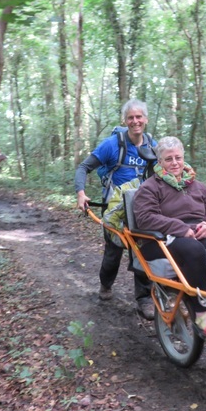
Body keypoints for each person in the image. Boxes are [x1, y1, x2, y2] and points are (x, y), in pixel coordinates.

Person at [133, 136, 206, 338]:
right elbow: (145, 218)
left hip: (197, 233)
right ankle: (201, 312)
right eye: (168, 159)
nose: (175, 163)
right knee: (194, 250)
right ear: (159, 162)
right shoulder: (151, 187)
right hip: (159, 239)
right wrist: (179, 228)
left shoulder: (197, 185)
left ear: (184, 158)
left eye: (178, 157)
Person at [75, 99, 155, 320]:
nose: (135, 121)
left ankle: (143, 298)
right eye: (131, 117)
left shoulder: (152, 145)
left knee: (142, 251)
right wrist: (81, 193)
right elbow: (84, 167)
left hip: (143, 209)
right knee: (113, 253)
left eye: (139, 117)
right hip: (116, 210)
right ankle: (106, 284)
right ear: (125, 120)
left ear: (146, 119)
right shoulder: (112, 145)